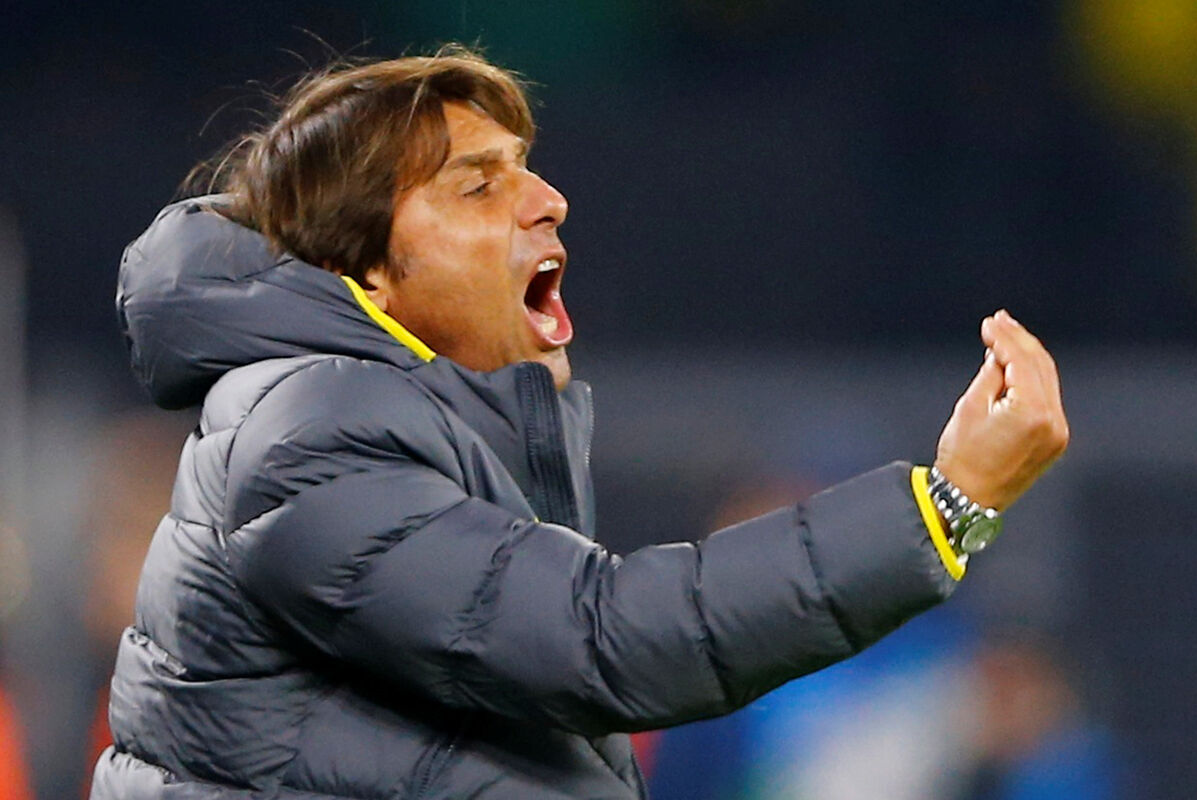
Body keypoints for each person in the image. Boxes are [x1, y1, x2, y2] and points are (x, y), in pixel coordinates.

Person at [92, 47, 1068, 799]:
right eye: (479, 185)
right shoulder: (307, 430)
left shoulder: (394, 425)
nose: (549, 201)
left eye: (526, 170)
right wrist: (947, 502)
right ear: (368, 270)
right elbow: (603, 640)